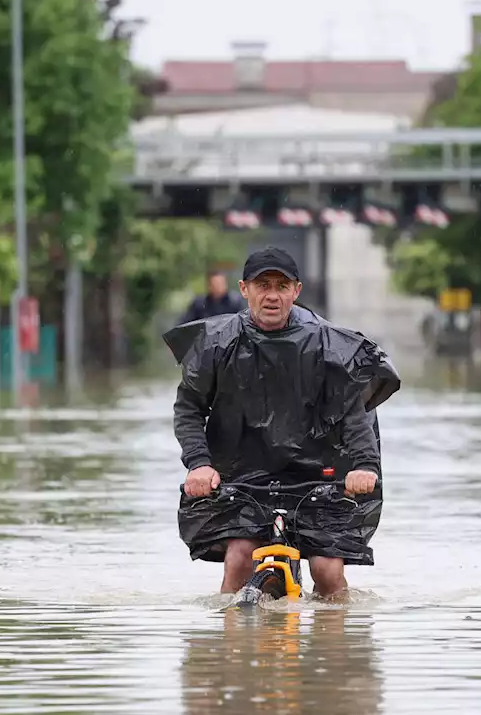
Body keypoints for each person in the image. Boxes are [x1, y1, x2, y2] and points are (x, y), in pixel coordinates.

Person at [163, 247, 400, 598]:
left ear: (296, 291)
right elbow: (189, 409)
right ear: (244, 289)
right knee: (240, 559)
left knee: (328, 571)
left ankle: (337, 649)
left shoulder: (329, 346)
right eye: (263, 285)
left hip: (316, 477)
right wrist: (199, 464)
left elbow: (354, 414)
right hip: (243, 479)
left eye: (281, 285)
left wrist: (363, 466)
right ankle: (226, 650)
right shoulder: (216, 344)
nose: (272, 295)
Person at [176, 268, 244, 325]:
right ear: (209, 285)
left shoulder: (234, 303)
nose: (219, 287)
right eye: (216, 284)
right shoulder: (199, 305)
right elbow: (185, 324)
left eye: (221, 283)